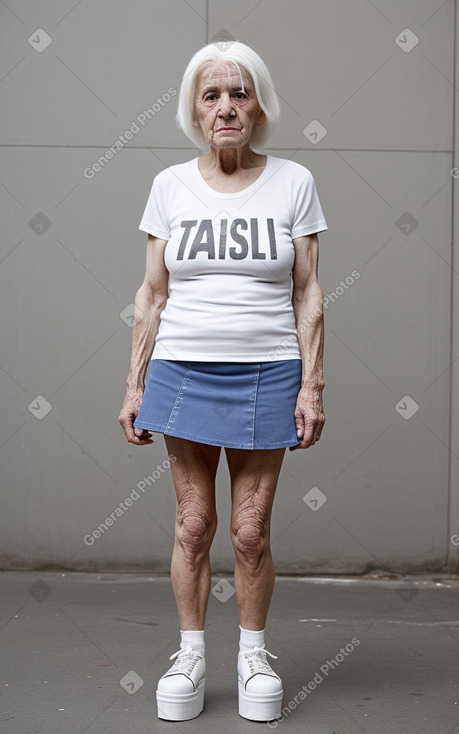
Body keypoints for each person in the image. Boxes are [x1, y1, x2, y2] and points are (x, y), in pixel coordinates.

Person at [118, 40, 328, 723]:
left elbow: (308, 295)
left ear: (257, 103)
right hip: (182, 372)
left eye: (239, 93)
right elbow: (151, 296)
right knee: (191, 525)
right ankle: (188, 655)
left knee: (248, 532)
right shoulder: (169, 186)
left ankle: (252, 655)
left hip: (269, 372)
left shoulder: (293, 182)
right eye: (211, 95)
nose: (226, 107)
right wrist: (133, 385)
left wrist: (311, 386)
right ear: (194, 109)